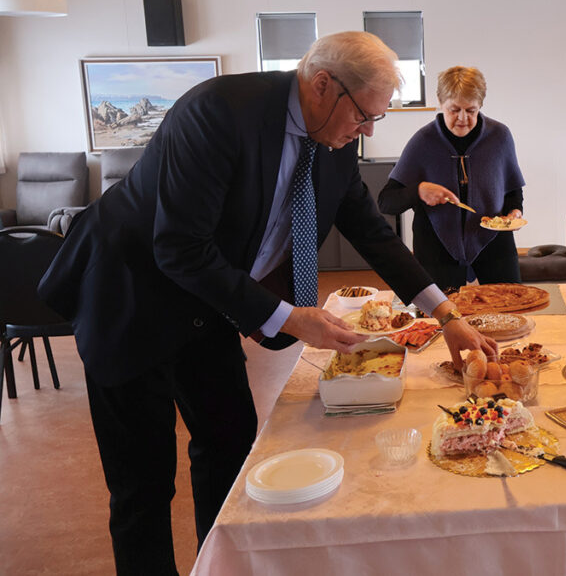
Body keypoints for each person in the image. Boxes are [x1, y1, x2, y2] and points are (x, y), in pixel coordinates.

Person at [38, 32, 496, 575]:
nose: (368, 130)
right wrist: (289, 318)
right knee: (143, 483)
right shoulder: (218, 112)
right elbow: (179, 248)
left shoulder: (335, 142)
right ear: (323, 85)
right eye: (364, 115)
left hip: (205, 299)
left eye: (378, 118)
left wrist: (446, 316)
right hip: (128, 298)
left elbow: (374, 234)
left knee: (228, 448)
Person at [378, 66, 525, 291]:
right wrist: (418, 191)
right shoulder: (422, 141)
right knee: (438, 323)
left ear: (481, 106)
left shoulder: (500, 137)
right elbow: (386, 201)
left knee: (511, 313)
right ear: (440, 101)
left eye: (471, 110)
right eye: (454, 110)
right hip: (435, 251)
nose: (463, 119)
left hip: (495, 245)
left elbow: (513, 191)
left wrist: (515, 212)